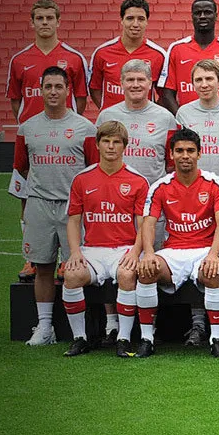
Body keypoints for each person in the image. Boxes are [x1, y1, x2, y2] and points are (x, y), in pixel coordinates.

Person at [136, 128, 219, 359]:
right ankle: (146, 339)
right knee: (146, 270)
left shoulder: (215, 183)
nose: (185, 156)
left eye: (191, 151)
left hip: (205, 249)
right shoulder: (160, 186)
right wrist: (149, 253)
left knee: (212, 272)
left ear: (199, 154)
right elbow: (148, 223)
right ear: (171, 154)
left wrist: (213, 254)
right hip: (174, 251)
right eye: (180, 151)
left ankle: (216, 339)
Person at [15, 67, 98, 347]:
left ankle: (85, 329)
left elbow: (93, 169)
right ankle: (45, 326)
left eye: (58, 86)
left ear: (68, 90)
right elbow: (21, 168)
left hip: (74, 209)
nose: (53, 92)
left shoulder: (86, 128)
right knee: (43, 267)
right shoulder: (27, 128)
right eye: (48, 86)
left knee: (81, 266)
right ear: (40, 90)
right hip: (39, 204)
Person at [7, 0, 89, 282]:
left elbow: (81, 99)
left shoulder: (74, 58)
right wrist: (31, 127)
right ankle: (32, 258)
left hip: (65, 139)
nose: (44, 23)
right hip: (33, 139)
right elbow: (15, 100)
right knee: (27, 197)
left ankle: (68, 258)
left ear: (58, 21)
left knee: (71, 195)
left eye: (49, 18)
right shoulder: (19, 60)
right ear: (32, 23)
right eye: (39, 18)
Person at [62, 120, 148, 356]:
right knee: (71, 275)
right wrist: (75, 251)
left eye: (116, 142)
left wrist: (135, 252)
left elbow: (144, 225)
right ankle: (79, 338)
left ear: (124, 146)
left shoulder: (138, 180)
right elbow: (73, 220)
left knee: (127, 275)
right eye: (106, 141)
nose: (111, 146)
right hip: (92, 250)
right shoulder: (82, 179)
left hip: (124, 248)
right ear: (97, 144)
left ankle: (123, 338)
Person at [96, 59, 177, 185]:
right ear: (121, 83)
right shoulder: (106, 116)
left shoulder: (166, 118)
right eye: (130, 80)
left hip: (152, 192)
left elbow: (171, 163)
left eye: (141, 80)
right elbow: (96, 159)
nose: (135, 85)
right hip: (114, 190)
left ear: (150, 83)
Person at [159, 0, 219, 109]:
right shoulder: (176, 49)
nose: (202, 16)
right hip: (186, 118)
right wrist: (181, 117)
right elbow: (167, 92)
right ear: (192, 16)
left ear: (216, 16)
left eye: (207, 12)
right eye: (198, 13)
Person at [89, 0, 167, 111]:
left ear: (147, 22)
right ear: (122, 20)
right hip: (112, 119)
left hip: (145, 119)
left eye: (141, 19)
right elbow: (94, 88)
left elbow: (164, 94)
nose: (135, 24)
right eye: (130, 18)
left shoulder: (159, 55)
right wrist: (108, 110)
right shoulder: (102, 52)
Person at [175, 59, 219, 185]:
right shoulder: (184, 113)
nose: (204, 85)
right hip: (194, 187)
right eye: (198, 80)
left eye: (209, 79)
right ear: (192, 84)